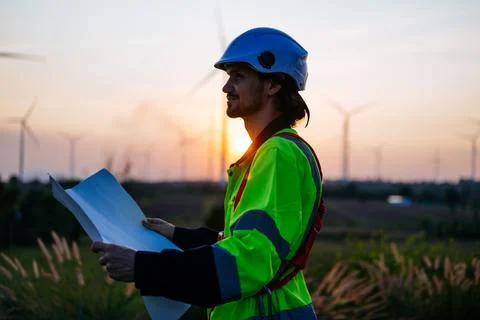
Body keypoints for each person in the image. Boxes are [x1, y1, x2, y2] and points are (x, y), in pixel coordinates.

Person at [92, 27, 324, 319]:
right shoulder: (269, 152)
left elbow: (251, 259)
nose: (226, 88)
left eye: (238, 76)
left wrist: (144, 268)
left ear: (273, 85)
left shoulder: (277, 153)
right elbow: (243, 240)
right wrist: (179, 236)